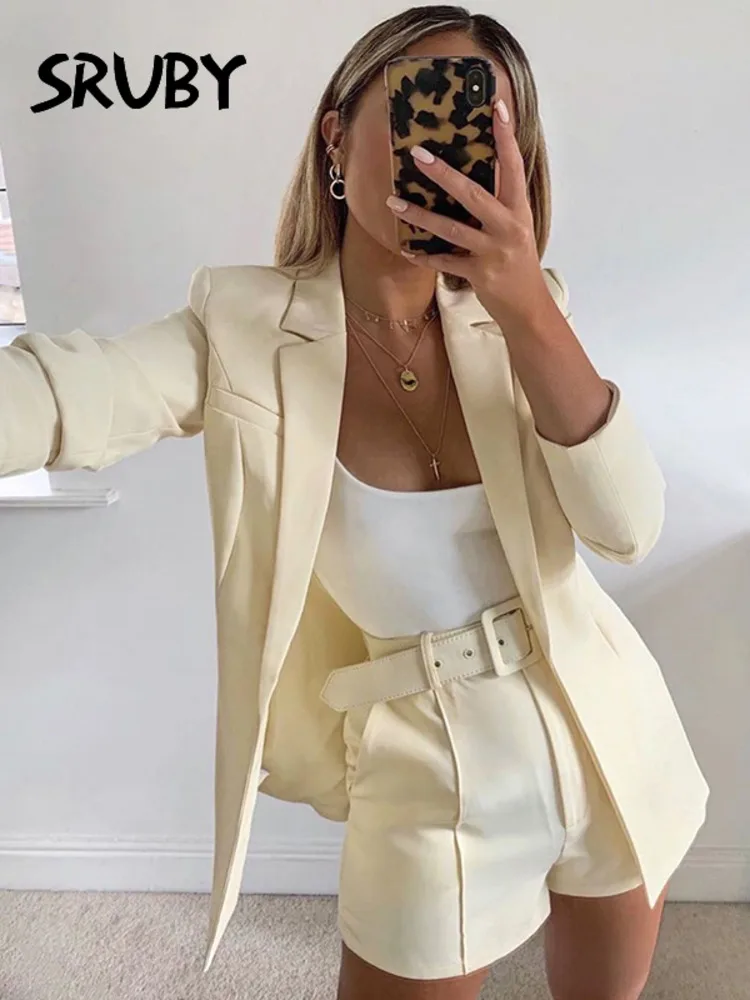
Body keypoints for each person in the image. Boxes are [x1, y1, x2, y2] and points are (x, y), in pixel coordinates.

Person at [0, 7, 710, 999]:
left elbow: (628, 528)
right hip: (426, 771)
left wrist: (522, 303)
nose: (443, 149)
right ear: (338, 135)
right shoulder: (243, 329)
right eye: (422, 106)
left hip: (608, 728)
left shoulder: (528, 315)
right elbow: (69, 393)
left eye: (478, 122)